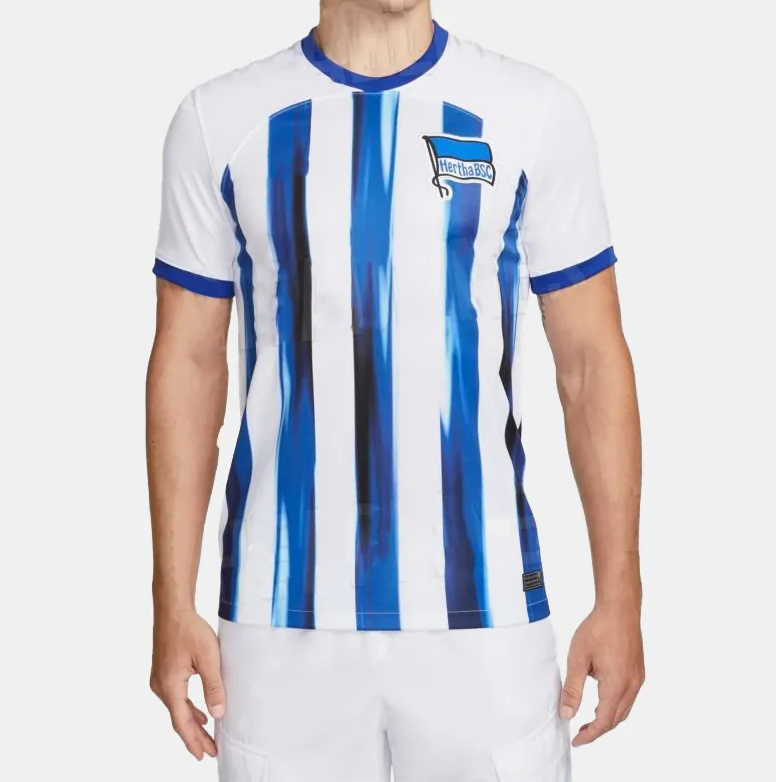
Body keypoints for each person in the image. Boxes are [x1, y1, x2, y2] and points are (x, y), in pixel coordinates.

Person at [146, 0, 644, 779]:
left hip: (485, 616)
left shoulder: (534, 111)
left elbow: (591, 364)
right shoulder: (221, 119)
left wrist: (621, 597)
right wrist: (171, 603)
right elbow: (188, 363)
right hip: (279, 624)